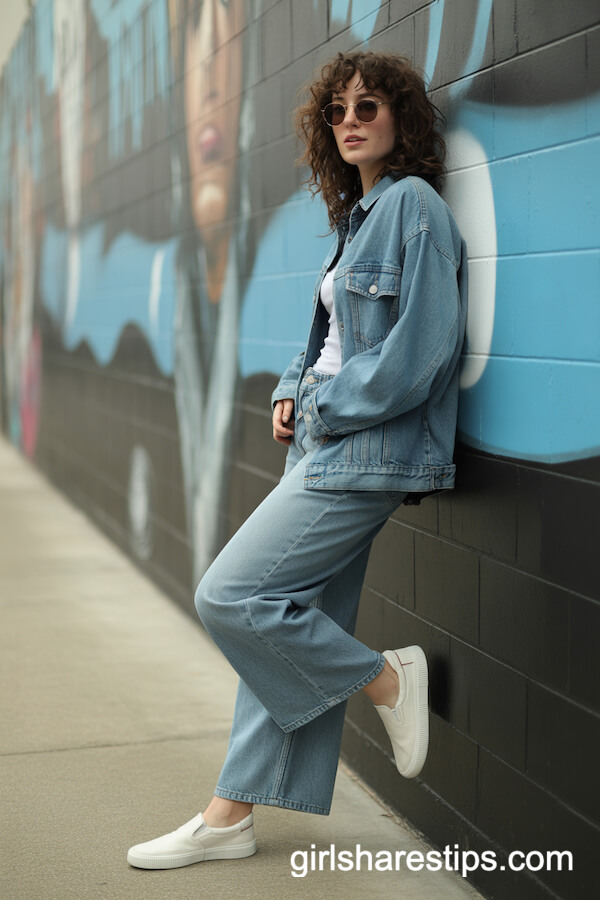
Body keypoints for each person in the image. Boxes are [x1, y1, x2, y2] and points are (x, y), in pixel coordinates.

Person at [126, 50, 468, 869]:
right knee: (282, 630)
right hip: (328, 441)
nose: (350, 121)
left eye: (369, 107)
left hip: (367, 450)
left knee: (231, 596)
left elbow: (420, 354)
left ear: (402, 120)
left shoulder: (414, 206)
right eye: (338, 112)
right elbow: (334, 339)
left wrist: (322, 404)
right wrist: (292, 387)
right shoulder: (359, 216)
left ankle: (385, 679)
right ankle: (229, 816)